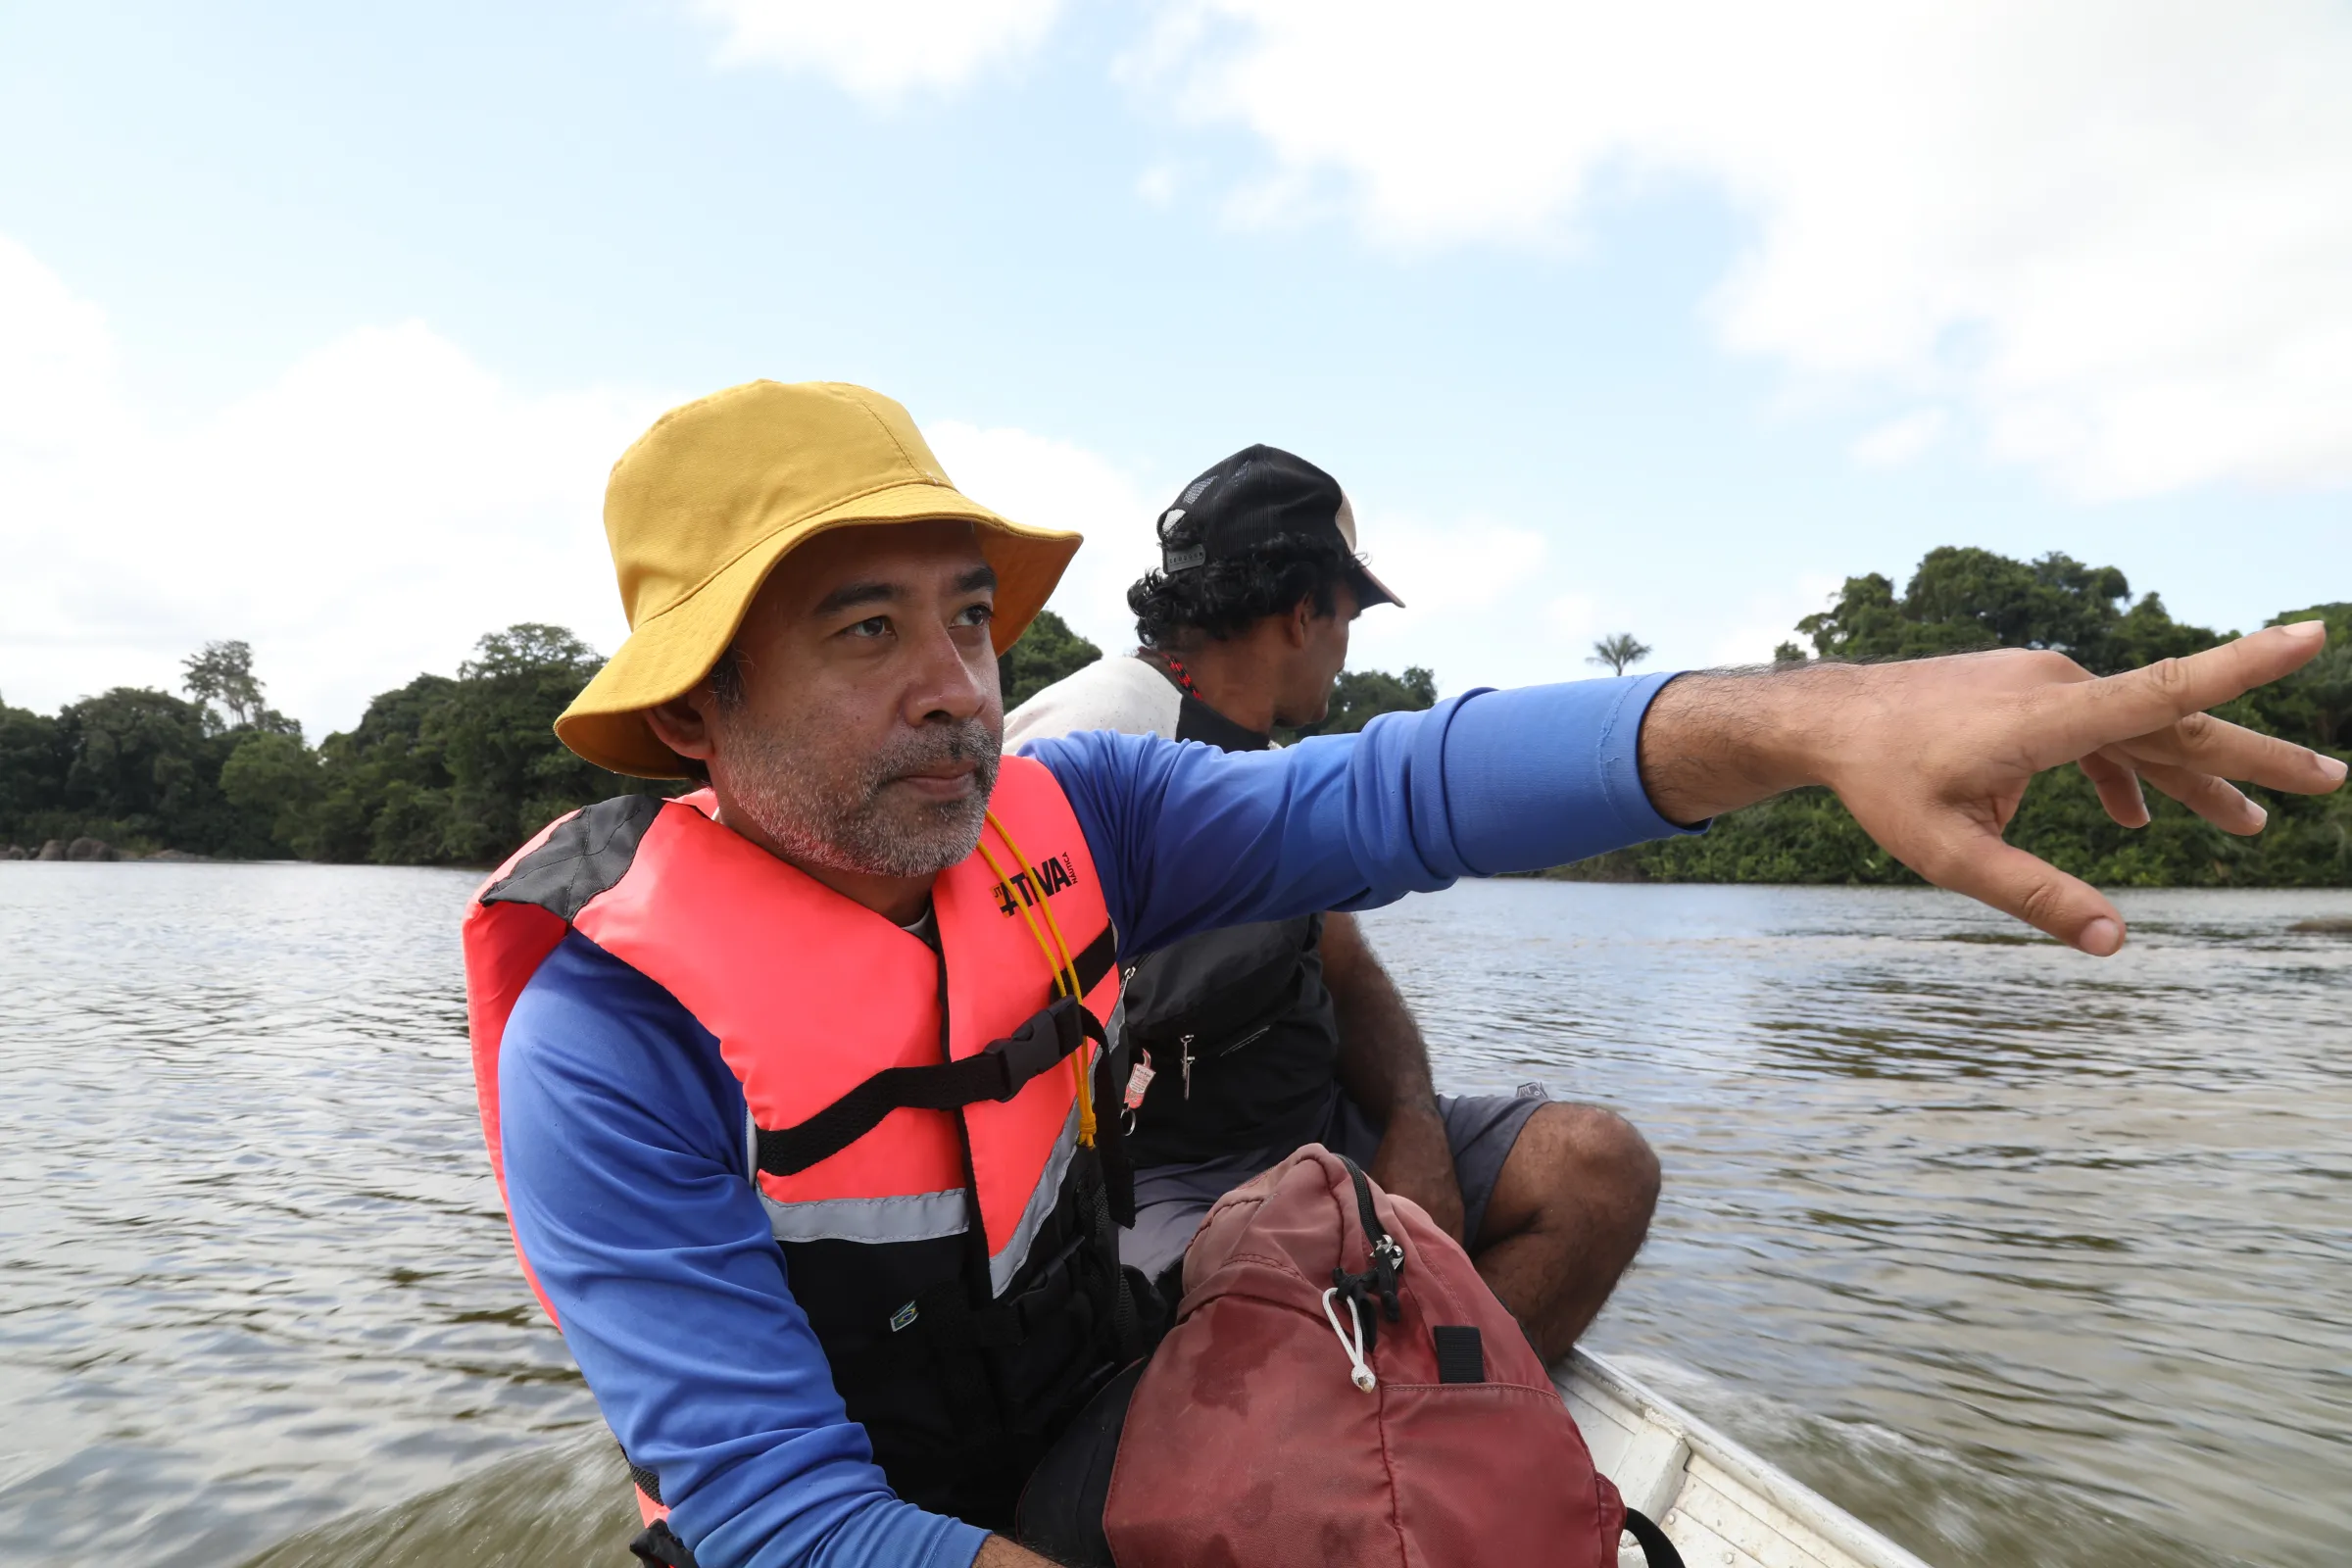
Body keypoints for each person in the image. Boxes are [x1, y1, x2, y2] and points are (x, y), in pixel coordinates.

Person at [466, 378, 2343, 1568]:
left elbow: (1408, 785)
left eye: (968, 615)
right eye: (868, 628)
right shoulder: (611, 1031)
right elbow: (782, 1516)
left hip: (1064, 1431)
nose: (958, 682)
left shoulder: (1078, 814)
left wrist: (1814, 720)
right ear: (702, 703)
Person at [1004, 443, 1657, 1361]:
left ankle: (1458, 1432)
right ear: (1304, 611)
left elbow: (1346, 974)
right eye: (1348, 618)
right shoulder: (1099, 728)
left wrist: (1413, 1123)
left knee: (1600, 1170)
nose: (1347, 651)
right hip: (1168, 1180)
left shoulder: (1269, 763)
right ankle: (1398, 1425)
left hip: (1324, 1136)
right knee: (1274, 1298)